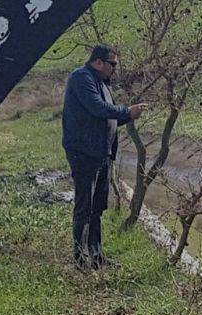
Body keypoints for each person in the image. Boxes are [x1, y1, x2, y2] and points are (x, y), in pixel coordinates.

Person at [62, 44, 145, 270]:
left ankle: (97, 257)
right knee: (84, 207)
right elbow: (98, 109)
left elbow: (108, 119)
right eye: (112, 64)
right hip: (84, 153)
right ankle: (81, 260)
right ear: (98, 62)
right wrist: (127, 111)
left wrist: (128, 116)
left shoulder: (102, 83)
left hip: (101, 154)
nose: (114, 69)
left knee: (97, 208)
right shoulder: (81, 78)